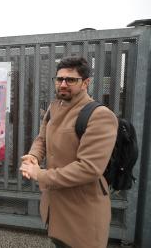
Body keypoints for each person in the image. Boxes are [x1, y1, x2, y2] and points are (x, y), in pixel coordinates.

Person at [19, 56, 118, 248]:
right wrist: (34, 156)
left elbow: (89, 168)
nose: (63, 84)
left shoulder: (99, 115)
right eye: (59, 79)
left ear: (86, 83)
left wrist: (39, 174)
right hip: (55, 205)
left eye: (71, 80)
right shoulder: (54, 106)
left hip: (82, 209)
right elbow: (42, 139)